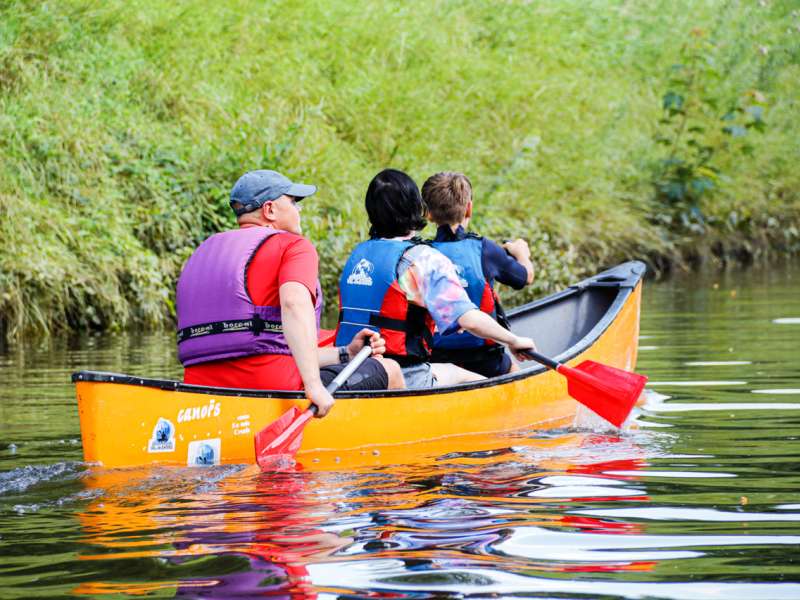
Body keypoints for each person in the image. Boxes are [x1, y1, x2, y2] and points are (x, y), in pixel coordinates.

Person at [176, 169, 404, 417]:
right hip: (270, 388)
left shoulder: (203, 253)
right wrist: (314, 385)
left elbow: (265, 347)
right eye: (294, 202)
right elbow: (294, 304)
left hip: (200, 394)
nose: (299, 210)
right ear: (270, 210)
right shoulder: (294, 247)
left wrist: (345, 353)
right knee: (389, 368)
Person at [334, 168, 536, 388]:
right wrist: (513, 340)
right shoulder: (423, 259)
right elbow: (467, 318)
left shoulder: (358, 254)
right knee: (478, 381)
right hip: (402, 375)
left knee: (450, 370)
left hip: (349, 369)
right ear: (417, 209)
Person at [422, 171, 534, 377]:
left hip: (435, 359)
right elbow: (525, 277)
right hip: (486, 360)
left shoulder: (420, 254)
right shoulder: (485, 249)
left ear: (428, 214)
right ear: (469, 209)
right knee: (515, 371)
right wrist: (521, 253)